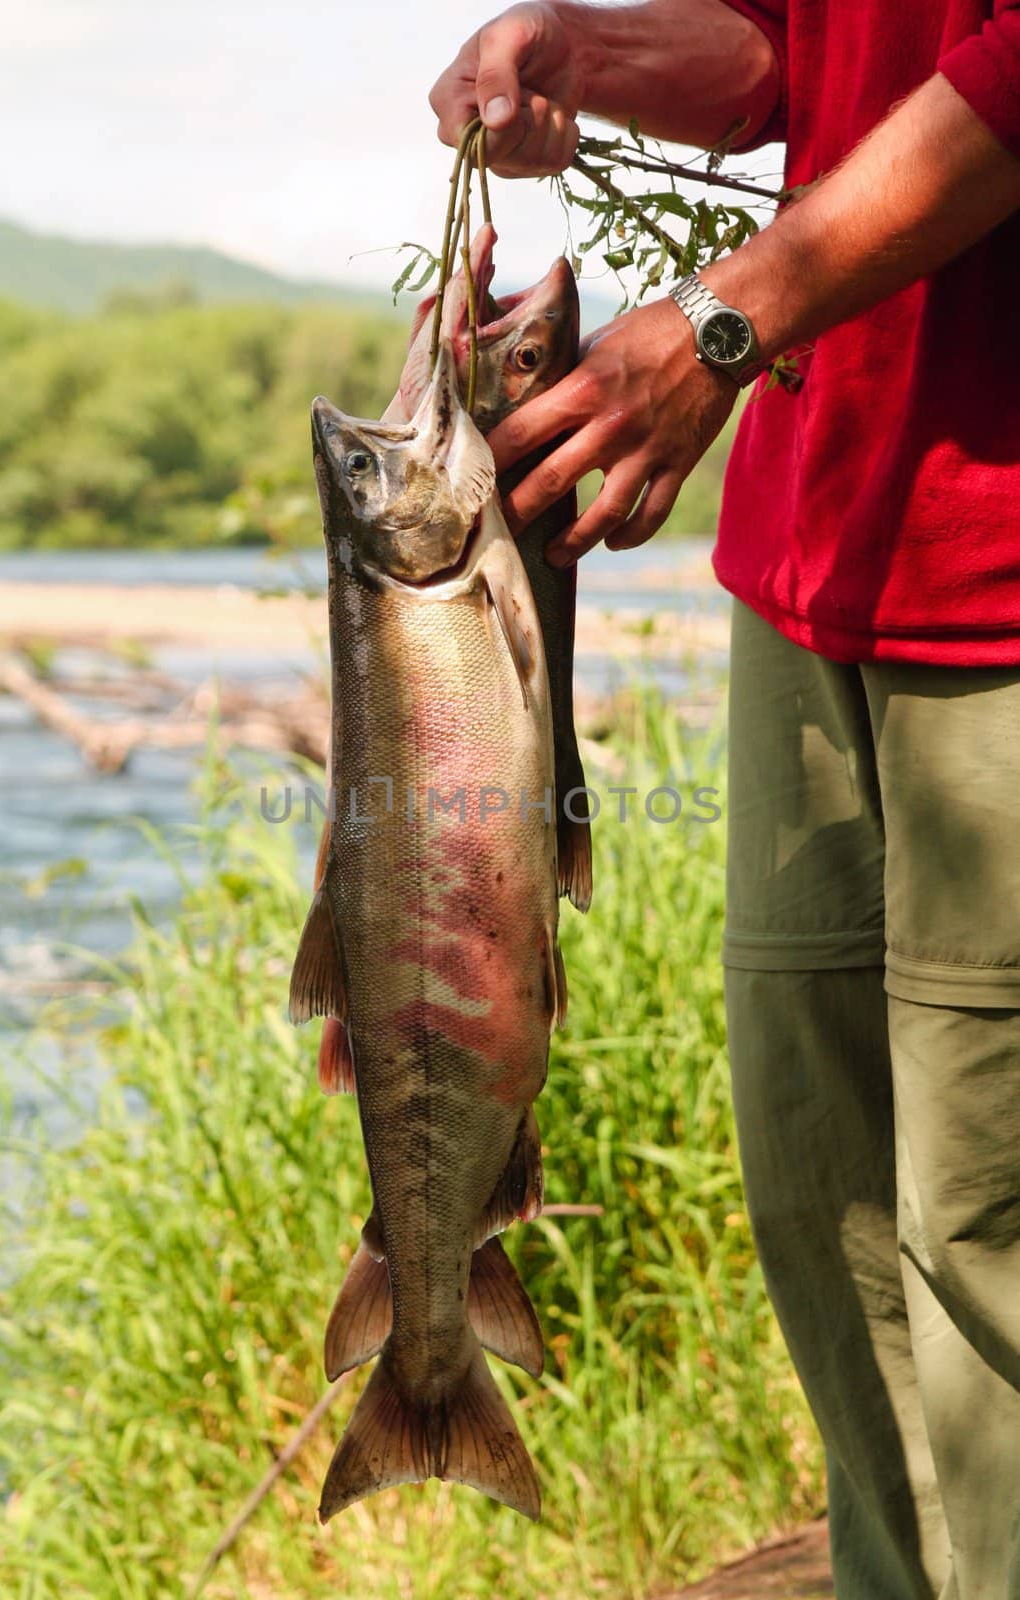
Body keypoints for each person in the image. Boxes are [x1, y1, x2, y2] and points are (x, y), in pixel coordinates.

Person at [431, 5, 1020, 1598]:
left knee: (990, 1229)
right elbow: (792, 51)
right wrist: (588, 51)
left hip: (1005, 578)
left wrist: (714, 323)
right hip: (813, 554)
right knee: (828, 1216)